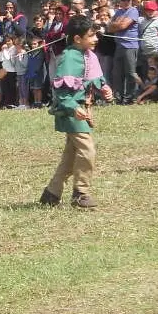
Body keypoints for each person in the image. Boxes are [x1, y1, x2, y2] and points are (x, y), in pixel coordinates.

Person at [39, 16, 114, 209]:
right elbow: (62, 91)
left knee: (71, 156)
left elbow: (94, 77)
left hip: (82, 108)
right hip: (71, 111)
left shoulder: (88, 54)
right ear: (77, 39)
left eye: (96, 34)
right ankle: (81, 193)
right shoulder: (70, 57)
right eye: (91, 35)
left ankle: (51, 193)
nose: (96, 38)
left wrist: (104, 87)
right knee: (87, 150)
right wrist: (74, 108)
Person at [108, 0, 141, 104]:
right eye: (124, 0)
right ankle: (118, 98)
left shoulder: (133, 11)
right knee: (117, 73)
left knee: (131, 73)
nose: (126, 2)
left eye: (128, 0)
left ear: (131, 0)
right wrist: (117, 24)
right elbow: (109, 28)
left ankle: (131, 98)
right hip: (119, 45)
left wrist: (117, 24)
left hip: (130, 46)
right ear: (120, 1)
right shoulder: (119, 11)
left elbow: (123, 25)